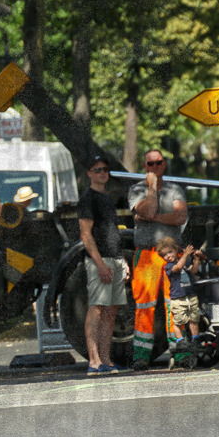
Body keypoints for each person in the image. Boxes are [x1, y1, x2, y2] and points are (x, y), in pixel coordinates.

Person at [127, 149, 188, 370]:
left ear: (164, 165)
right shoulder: (136, 189)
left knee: (176, 305)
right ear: (145, 167)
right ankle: (141, 356)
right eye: (150, 164)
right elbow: (146, 206)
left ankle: (180, 354)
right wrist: (152, 188)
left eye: (158, 163)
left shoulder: (174, 189)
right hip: (146, 255)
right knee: (144, 306)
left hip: (172, 255)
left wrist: (152, 217)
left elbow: (180, 216)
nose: (154, 167)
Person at [78, 157, 129, 376]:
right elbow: (86, 234)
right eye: (97, 170)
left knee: (111, 309)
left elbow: (112, 232)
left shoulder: (106, 198)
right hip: (99, 260)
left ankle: (106, 359)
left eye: (105, 170)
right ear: (89, 173)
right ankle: (94, 360)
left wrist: (122, 261)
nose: (102, 173)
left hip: (114, 258)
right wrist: (99, 263)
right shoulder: (88, 199)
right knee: (97, 307)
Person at [157, 236, 203, 342]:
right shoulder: (169, 266)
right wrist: (186, 254)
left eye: (170, 252)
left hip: (190, 295)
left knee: (194, 319)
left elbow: (194, 270)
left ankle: (195, 338)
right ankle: (180, 340)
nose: (168, 256)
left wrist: (196, 259)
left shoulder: (185, 262)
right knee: (178, 321)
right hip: (178, 298)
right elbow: (178, 267)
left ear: (176, 250)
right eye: (165, 255)